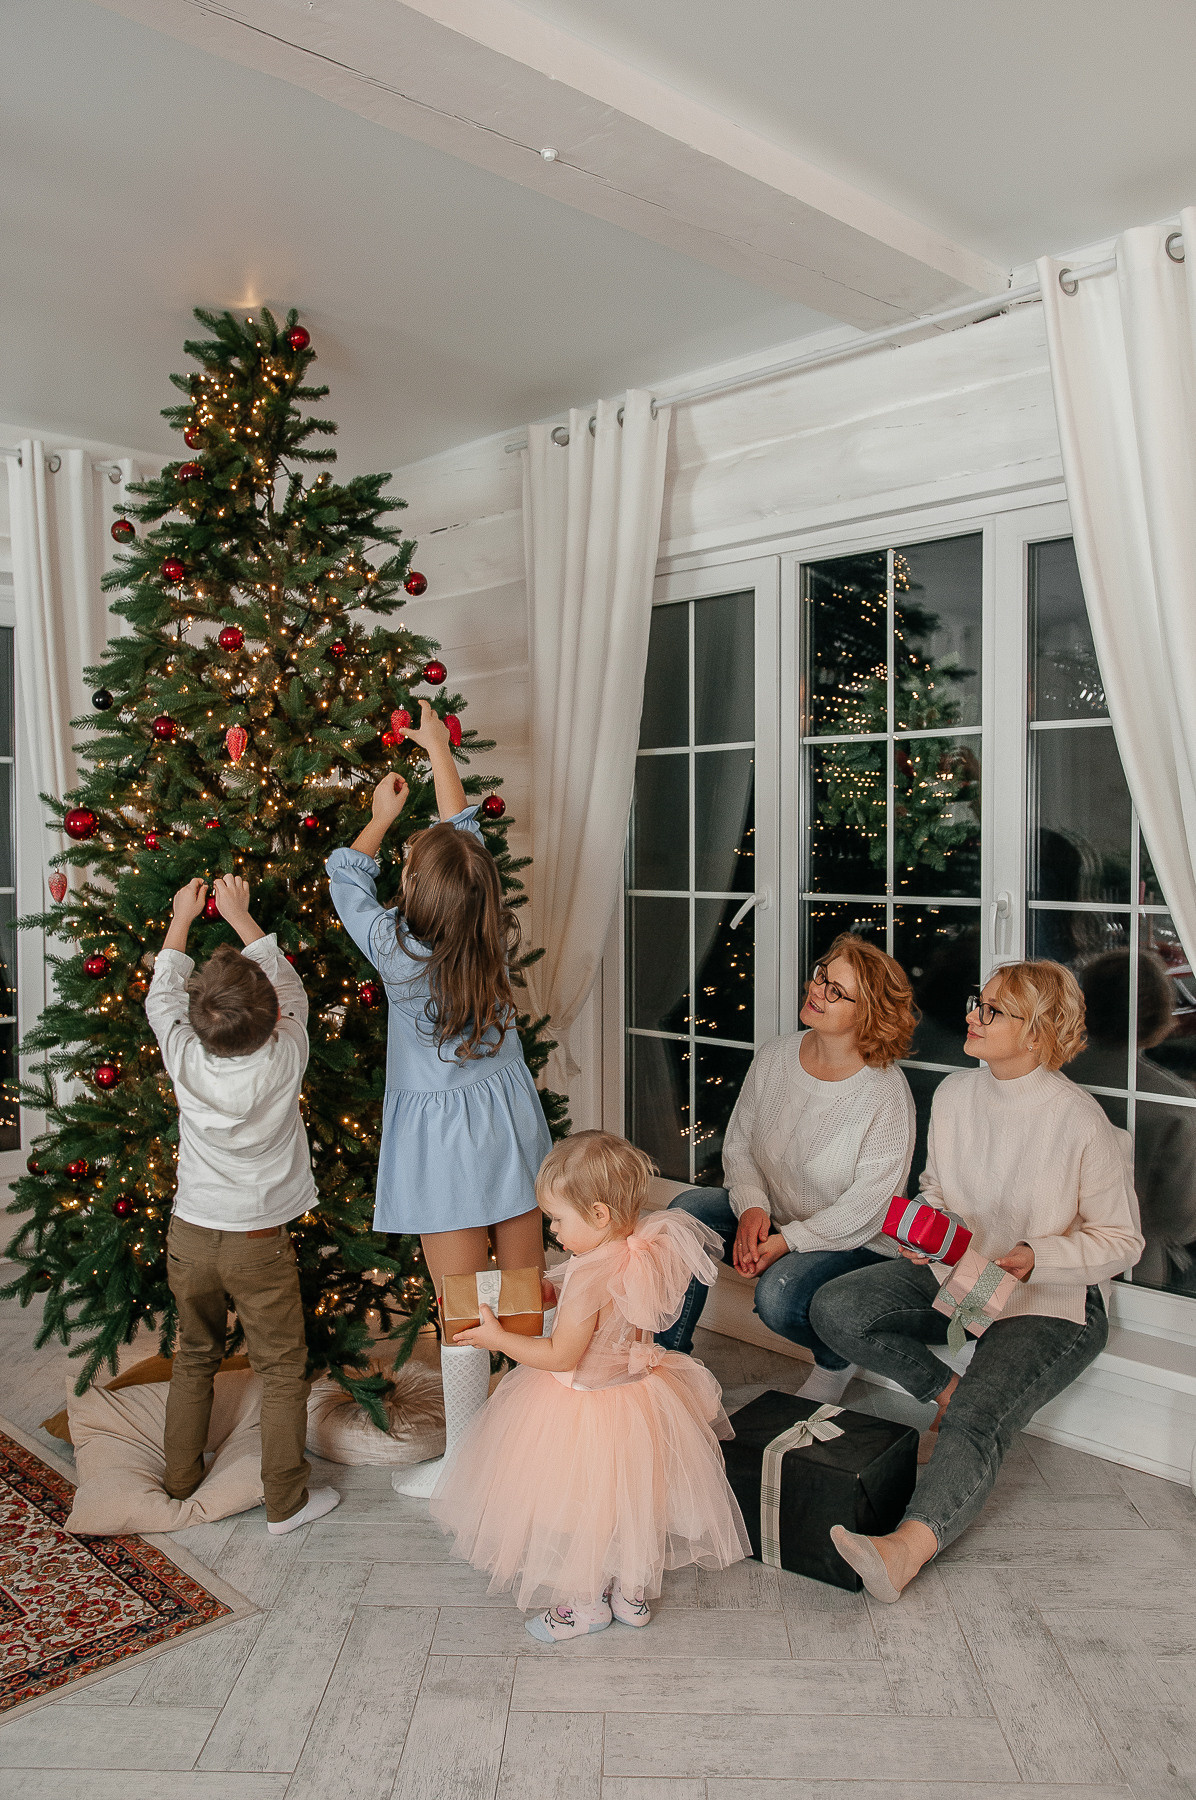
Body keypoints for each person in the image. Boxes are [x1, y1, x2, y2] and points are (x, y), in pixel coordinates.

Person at [810, 958, 1144, 1603]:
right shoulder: (958, 1094)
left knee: (976, 1422)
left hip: (1049, 1300)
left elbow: (1121, 1242)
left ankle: (903, 1551)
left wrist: (1035, 1256)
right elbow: (938, 1187)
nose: (972, 1015)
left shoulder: (1081, 1122)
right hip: (957, 1276)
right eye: (977, 1001)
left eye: (993, 1010)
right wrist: (928, 1226)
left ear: (1039, 1033)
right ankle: (949, 1391)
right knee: (837, 1306)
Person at [326, 701, 552, 1497]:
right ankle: (534, 1443)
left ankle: (467, 1463)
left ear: (416, 891)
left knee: (465, 1313)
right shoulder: (487, 926)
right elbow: (466, 834)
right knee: (523, 1299)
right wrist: (435, 750)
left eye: (413, 868)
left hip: (443, 1149)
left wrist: (384, 816)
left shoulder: (395, 950)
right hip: (510, 1126)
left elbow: (345, 874)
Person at [428, 1130, 750, 1642]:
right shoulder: (641, 1249)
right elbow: (612, 1308)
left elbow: (559, 1354)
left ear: (598, 1216)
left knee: (584, 1511)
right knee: (634, 1501)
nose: (552, 1229)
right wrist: (554, 1286)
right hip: (640, 1398)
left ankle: (585, 1606)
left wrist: (496, 1338)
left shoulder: (588, 1280)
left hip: (584, 1408)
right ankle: (631, 1595)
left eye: (557, 1219)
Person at [148, 874, 339, 1535]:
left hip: (192, 1235)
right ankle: (285, 1503)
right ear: (269, 1020)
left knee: (193, 1349)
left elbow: (160, 994)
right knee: (282, 1366)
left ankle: (179, 1477)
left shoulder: (181, 1054)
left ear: (197, 1018)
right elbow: (290, 988)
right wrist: (240, 915)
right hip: (258, 1241)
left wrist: (181, 919)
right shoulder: (287, 1051)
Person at [657, 934, 917, 1404]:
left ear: (869, 1014)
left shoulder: (885, 1093)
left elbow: (870, 1208)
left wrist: (786, 1242)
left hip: (853, 1239)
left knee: (778, 1296)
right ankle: (667, 1365)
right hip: (776, 1215)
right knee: (682, 1215)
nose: (817, 989)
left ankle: (836, 1360)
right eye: (822, 975)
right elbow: (739, 1146)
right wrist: (753, 1207)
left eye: (836, 990)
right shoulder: (776, 1055)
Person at [1067, 949, 1196, 1291]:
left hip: (1038, 1254)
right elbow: (1180, 1223)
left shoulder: (1045, 1073)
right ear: (1156, 1013)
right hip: (1134, 1277)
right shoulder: (1173, 1102)